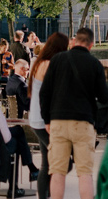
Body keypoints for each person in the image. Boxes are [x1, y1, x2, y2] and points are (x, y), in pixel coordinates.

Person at [40, 27, 108, 199]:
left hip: (57, 121)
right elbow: (104, 97)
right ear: (91, 45)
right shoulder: (94, 64)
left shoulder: (57, 60)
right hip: (83, 122)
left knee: (57, 172)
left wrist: (47, 120)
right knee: (84, 173)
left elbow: (44, 92)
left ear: (73, 41)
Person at [29, 32, 70, 199]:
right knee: (62, 162)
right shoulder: (48, 65)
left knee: (48, 163)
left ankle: (44, 196)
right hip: (44, 120)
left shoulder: (39, 62)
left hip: (37, 118)